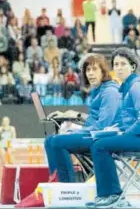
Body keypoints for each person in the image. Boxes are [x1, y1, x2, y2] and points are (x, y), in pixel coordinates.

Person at [90, 48, 140, 207]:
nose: (118, 67)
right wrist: (115, 130)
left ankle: (111, 194)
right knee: (100, 140)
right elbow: (130, 121)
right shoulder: (126, 87)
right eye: (116, 64)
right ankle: (111, 193)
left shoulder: (137, 87)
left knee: (99, 146)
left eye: (123, 64)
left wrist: (124, 133)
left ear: (132, 67)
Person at [43, 54, 120, 183]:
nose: (90, 73)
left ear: (104, 71)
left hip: (103, 138)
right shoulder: (98, 91)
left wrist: (77, 131)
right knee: (49, 140)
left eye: (95, 69)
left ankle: (67, 189)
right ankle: (56, 183)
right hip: (94, 134)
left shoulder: (110, 91)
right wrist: (74, 117)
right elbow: (94, 121)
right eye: (88, 70)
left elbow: (102, 126)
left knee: (57, 141)